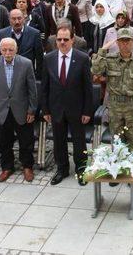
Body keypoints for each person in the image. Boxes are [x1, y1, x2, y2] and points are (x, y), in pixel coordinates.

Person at [41, 24, 93, 186]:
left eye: (65, 39)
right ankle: (62, 169)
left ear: (72, 40)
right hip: (56, 108)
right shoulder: (48, 58)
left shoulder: (83, 58)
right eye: (59, 39)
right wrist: (46, 110)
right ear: (55, 41)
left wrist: (87, 111)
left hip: (76, 108)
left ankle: (81, 169)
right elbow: (45, 87)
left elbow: (88, 88)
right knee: (58, 140)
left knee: (79, 141)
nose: (62, 42)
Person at [0, 38, 38, 183]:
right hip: (1, 110)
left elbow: (32, 89)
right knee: (3, 141)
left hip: (22, 109)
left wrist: (32, 110)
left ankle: (27, 166)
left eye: (11, 50)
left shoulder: (26, 64)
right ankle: (7, 167)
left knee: (26, 141)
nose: (7, 53)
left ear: (16, 50)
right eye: (4, 50)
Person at [92, 28, 133, 153]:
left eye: (128, 41)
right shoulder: (109, 60)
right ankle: (118, 171)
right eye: (122, 41)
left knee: (132, 143)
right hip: (115, 108)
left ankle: (131, 171)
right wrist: (102, 51)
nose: (125, 44)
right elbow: (96, 71)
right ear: (117, 43)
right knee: (117, 143)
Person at [0, 9, 44, 79]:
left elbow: (40, 59)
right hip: (8, 75)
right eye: (13, 19)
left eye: (19, 18)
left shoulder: (35, 33)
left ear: (24, 19)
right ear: (9, 20)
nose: (17, 22)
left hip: (27, 75)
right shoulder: (2, 33)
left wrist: (37, 77)